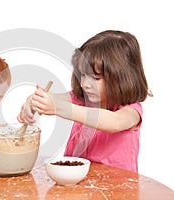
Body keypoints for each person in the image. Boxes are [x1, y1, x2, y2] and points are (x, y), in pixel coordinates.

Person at [18, 30, 152, 172]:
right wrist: (32, 102)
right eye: (82, 75)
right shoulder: (81, 98)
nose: (85, 84)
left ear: (122, 77)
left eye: (95, 78)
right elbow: (50, 98)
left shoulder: (131, 111)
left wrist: (59, 108)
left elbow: (114, 122)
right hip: (78, 186)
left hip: (115, 190)